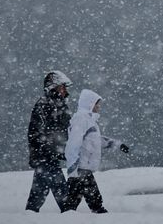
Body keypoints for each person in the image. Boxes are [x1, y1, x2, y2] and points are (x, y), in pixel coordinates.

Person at [64, 89, 129, 213]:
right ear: (90, 104)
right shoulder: (81, 119)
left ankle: (65, 220)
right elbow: (73, 144)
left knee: (71, 202)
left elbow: (96, 140)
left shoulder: (89, 121)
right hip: (81, 167)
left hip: (83, 168)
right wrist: (73, 168)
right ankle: (100, 217)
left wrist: (117, 144)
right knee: (95, 201)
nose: (99, 107)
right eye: (97, 104)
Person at [25, 70, 73, 212]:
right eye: (62, 87)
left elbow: (66, 130)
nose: (65, 90)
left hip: (49, 157)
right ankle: (70, 216)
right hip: (45, 157)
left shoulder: (60, 105)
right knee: (62, 194)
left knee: (38, 193)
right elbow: (37, 134)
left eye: (65, 87)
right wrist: (52, 150)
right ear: (53, 88)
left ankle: (29, 216)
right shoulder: (44, 105)